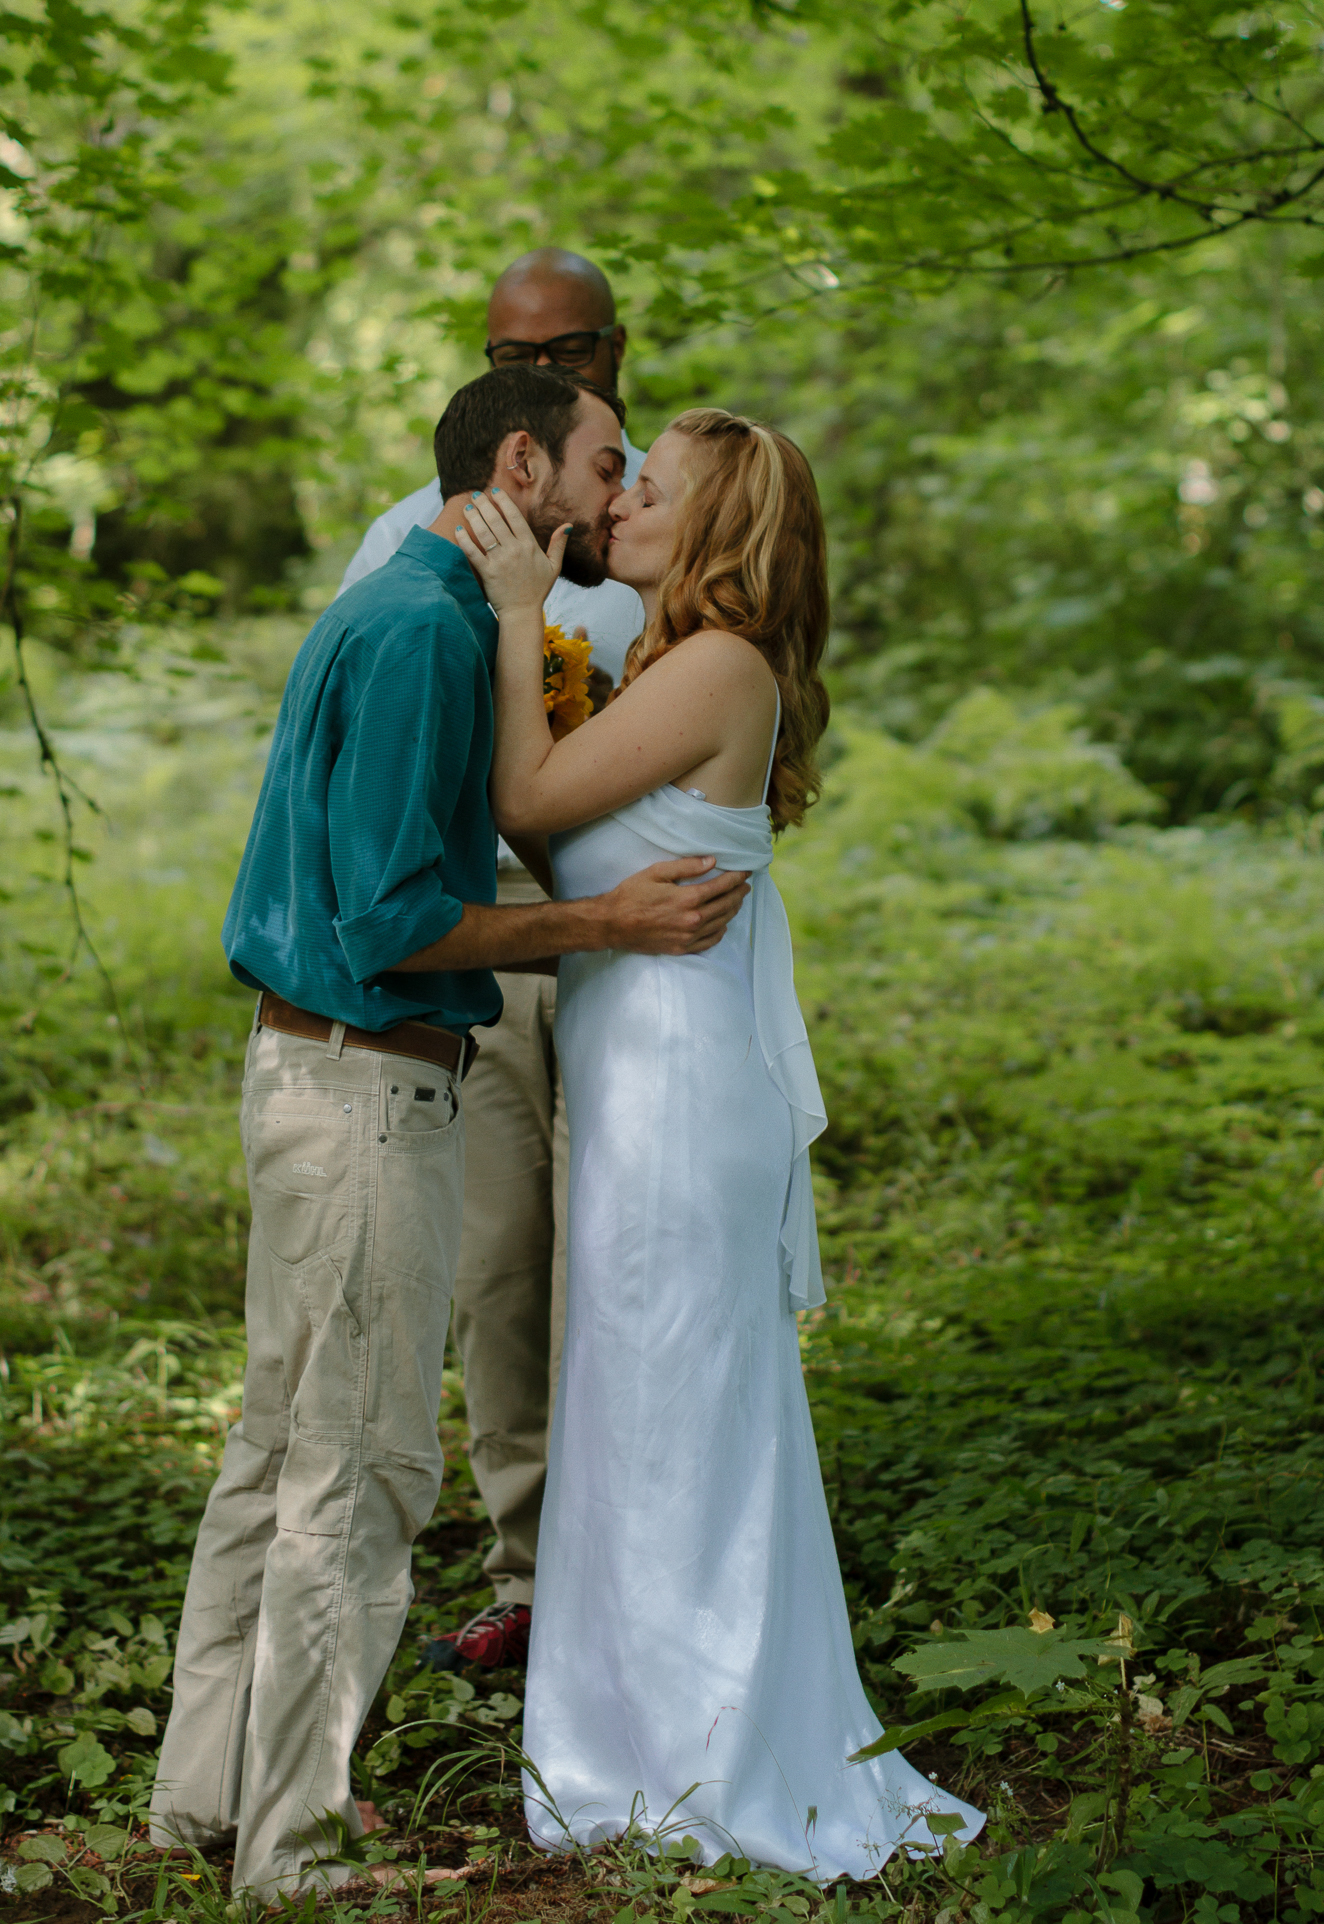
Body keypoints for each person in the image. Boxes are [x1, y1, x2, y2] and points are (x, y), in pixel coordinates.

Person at [148, 368, 751, 1905]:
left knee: (277, 1449)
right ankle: (291, 1850)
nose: (620, 495)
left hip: (314, 1075)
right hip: (363, 1092)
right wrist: (605, 921)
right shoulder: (421, 632)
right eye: (608, 464)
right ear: (521, 459)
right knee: (360, 1469)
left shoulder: (408, 608)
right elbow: (396, 916)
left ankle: (201, 1799)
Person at [456, 414, 987, 1879]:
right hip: (645, 1078)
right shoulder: (669, 664)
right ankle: (649, 1733)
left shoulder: (713, 665)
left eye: (653, 489)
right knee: (643, 1400)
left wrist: (517, 616)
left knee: (678, 1404)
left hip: (680, 1095)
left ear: (715, 534)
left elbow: (528, 805)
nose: (621, 501)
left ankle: (701, 1745)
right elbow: (579, 859)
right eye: (625, 478)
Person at [338, 247, 644, 1666]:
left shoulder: (655, 504)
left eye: (575, 348)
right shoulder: (416, 530)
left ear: (615, 349)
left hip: (650, 930)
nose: (550, 371)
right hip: (500, 930)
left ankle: (649, 1542)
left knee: (640, 1246)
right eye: (517, 348)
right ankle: (532, 1565)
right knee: (506, 1256)